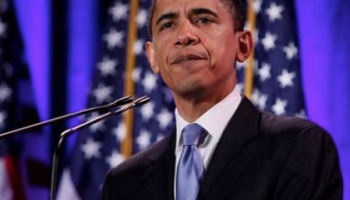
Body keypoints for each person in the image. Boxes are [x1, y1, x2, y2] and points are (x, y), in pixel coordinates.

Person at [101, 0, 343, 199]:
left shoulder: (300, 148)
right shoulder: (124, 182)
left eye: (203, 19)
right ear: (152, 56)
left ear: (243, 45)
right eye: (167, 25)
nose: (184, 36)